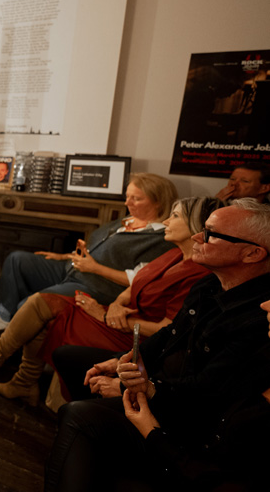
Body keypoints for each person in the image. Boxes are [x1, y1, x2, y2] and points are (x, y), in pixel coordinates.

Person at [45, 198, 270, 491]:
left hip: (187, 420)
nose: (197, 237)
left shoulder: (260, 315)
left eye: (210, 234)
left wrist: (138, 388)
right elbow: (170, 334)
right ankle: (103, 452)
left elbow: (207, 395)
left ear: (253, 253)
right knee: (68, 357)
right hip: (167, 385)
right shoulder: (209, 284)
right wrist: (123, 359)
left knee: (77, 415)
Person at [0, 196, 219, 406]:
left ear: (195, 225)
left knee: (48, 308)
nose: (167, 221)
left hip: (136, 336)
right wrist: (116, 304)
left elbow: (168, 330)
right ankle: (15, 374)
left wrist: (107, 316)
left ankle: (13, 372)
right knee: (42, 299)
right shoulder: (174, 255)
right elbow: (135, 283)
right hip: (118, 314)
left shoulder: (197, 273)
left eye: (175, 216)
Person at [0, 173, 178, 330]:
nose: (127, 203)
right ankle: (4, 316)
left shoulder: (160, 239)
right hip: (74, 268)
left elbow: (139, 280)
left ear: (158, 201)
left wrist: (95, 268)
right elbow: (96, 249)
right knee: (17, 260)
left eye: (136, 199)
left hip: (96, 286)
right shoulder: (126, 221)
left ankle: (11, 327)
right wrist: (64, 256)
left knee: (28, 305)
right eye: (127, 197)